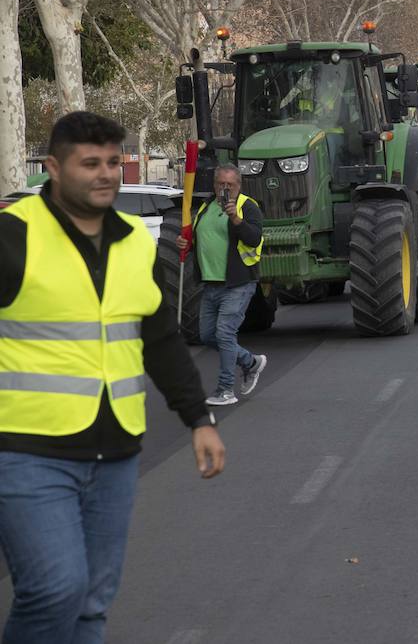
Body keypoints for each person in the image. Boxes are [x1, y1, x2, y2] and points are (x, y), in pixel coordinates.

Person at [0, 111, 225, 644]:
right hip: (29, 451)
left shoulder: (133, 243)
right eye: (90, 163)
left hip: (116, 453)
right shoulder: (13, 235)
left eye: (112, 162)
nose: (105, 174)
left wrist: (199, 420)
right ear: (54, 168)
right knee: (54, 590)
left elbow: (160, 340)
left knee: (92, 604)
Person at [177, 164, 266, 406]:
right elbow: (203, 239)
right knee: (208, 335)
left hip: (238, 282)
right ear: (214, 184)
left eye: (230, 184)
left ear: (239, 185)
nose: (225, 188)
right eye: (221, 184)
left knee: (225, 334)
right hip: (211, 283)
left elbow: (254, 238)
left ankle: (226, 390)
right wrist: (186, 244)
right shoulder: (206, 207)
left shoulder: (247, 206)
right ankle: (250, 362)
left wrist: (235, 218)